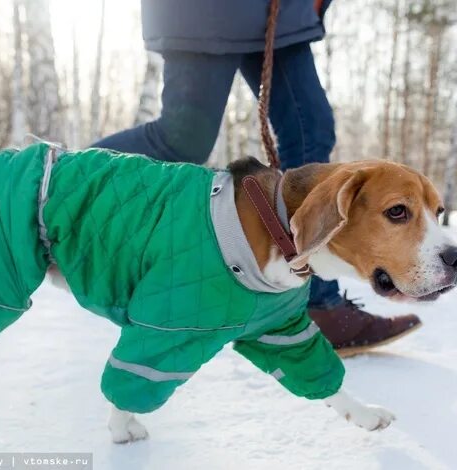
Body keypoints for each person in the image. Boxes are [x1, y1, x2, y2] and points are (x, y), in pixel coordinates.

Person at [93, 0, 422, 356]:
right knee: (184, 137)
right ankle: (60, 188)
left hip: (278, 13)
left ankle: (316, 306)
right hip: (203, 12)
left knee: (309, 128)